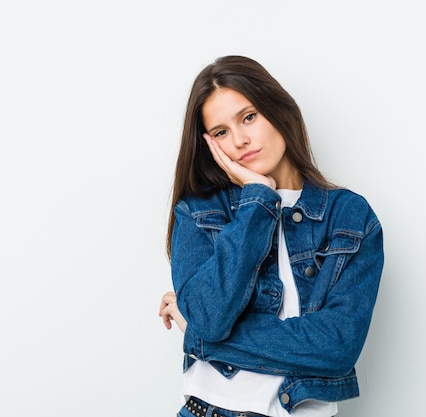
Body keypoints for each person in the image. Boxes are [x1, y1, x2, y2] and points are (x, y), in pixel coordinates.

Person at [159, 55, 384, 417]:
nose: (240, 140)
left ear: (279, 110)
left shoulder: (351, 217)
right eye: (221, 133)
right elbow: (210, 317)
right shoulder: (200, 211)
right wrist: (259, 199)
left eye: (249, 117)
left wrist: (201, 339)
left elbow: (337, 349)